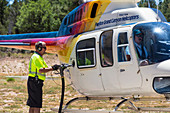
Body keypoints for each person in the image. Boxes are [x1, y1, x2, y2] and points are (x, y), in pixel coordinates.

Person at [27, 41, 59, 113]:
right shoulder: (37, 57)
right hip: (35, 82)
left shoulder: (39, 57)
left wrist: (52, 67)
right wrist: (53, 68)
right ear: (39, 48)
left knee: (32, 104)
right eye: (44, 48)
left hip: (33, 81)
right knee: (36, 105)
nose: (45, 49)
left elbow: (45, 67)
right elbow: (41, 70)